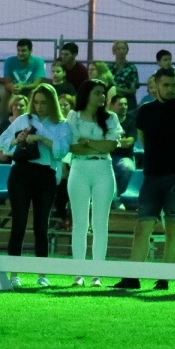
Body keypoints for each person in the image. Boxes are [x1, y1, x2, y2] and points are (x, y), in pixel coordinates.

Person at [112, 68, 175, 291]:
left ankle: (164, 278)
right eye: (167, 85)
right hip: (151, 177)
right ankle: (133, 277)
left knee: (172, 228)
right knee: (143, 227)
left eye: (174, 85)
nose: (171, 89)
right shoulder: (145, 111)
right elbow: (143, 139)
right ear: (156, 85)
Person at [0, 83, 70, 287]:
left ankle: (42, 274)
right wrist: (17, 139)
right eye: (36, 102)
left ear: (52, 103)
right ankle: (14, 274)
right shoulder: (23, 119)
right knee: (18, 224)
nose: (39, 106)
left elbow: (61, 151)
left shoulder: (62, 124)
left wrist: (40, 138)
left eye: (44, 102)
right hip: (21, 172)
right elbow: (2, 141)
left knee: (41, 225)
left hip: (45, 175)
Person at [67, 80, 121, 286]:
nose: (102, 97)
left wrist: (88, 142)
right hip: (79, 168)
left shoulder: (111, 118)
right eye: (98, 93)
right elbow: (73, 147)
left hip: (103, 170)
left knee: (100, 223)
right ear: (87, 94)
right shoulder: (74, 116)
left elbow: (111, 145)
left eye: (103, 93)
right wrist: (97, 146)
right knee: (80, 223)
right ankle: (78, 274)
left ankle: (97, 274)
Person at [2, 39, 47, 113]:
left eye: (23, 51)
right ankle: (4, 123)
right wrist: (12, 88)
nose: (20, 53)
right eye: (18, 50)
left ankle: (29, 120)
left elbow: (37, 84)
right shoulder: (9, 61)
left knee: (33, 93)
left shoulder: (38, 62)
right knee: (5, 95)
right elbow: (7, 83)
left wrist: (22, 86)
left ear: (30, 51)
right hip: (15, 90)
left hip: (30, 90)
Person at [109, 93, 137, 198]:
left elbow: (128, 143)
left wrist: (110, 142)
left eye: (125, 104)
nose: (124, 107)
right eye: (120, 104)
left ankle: (118, 197)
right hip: (106, 157)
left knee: (129, 167)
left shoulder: (132, 122)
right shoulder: (106, 122)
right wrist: (120, 141)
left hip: (124, 158)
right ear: (111, 106)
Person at [110, 41, 140, 111]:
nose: (121, 51)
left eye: (123, 48)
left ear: (127, 51)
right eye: (118, 49)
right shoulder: (109, 68)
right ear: (114, 51)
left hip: (128, 102)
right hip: (112, 101)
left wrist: (116, 89)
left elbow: (132, 91)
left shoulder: (132, 68)